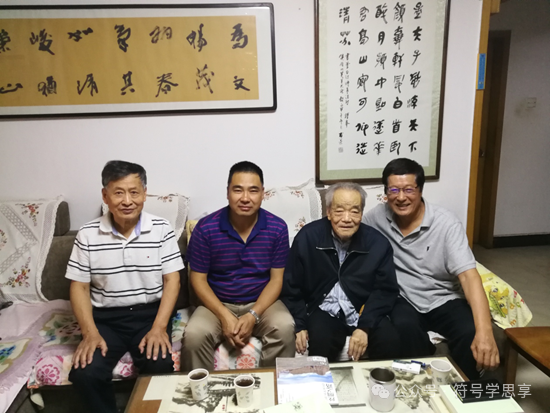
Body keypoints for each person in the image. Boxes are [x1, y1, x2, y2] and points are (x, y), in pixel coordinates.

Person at [363, 158, 499, 379]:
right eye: (394, 190)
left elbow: (469, 277)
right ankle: (420, 385)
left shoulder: (446, 223)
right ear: (385, 192)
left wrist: (485, 331)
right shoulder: (375, 218)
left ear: (421, 190)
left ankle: (465, 390)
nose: (401, 197)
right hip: (403, 298)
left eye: (409, 189)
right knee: (404, 328)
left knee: (469, 331)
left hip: (443, 297)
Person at [66, 161, 184, 413]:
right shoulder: (87, 234)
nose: (127, 201)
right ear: (105, 196)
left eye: (134, 192)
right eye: (119, 193)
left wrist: (159, 327)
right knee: (86, 373)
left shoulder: (161, 229)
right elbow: (79, 287)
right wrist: (89, 332)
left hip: (149, 316)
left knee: (160, 364)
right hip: (106, 320)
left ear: (145, 194)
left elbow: (172, 280)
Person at [182, 161, 295, 371]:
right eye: (237, 190)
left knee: (285, 327)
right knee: (195, 334)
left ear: (263, 194)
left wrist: (253, 315)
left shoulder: (277, 228)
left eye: (253, 190)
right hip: (217, 303)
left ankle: (274, 386)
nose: (245, 198)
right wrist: (224, 315)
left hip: (261, 302)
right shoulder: (206, 228)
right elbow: (197, 279)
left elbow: (276, 280)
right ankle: (201, 389)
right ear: (227, 193)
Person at [281, 182, 401, 362]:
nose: (347, 218)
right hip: (323, 309)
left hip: (362, 309)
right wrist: (300, 324)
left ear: (361, 213)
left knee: (389, 340)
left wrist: (365, 326)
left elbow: (385, 290)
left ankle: (374, 381)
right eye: (339, 211)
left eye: (354, 211)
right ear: (328, 212)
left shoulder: (378, 243)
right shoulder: (308, 237)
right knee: (321, 340)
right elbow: (291, 286)